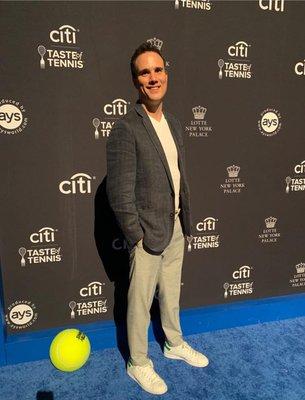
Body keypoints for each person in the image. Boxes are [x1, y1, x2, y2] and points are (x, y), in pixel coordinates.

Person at [106, 42, 209, 395]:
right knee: (138, 301)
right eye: (144, 72)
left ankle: (173, 343)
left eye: (158, 69)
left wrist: (185, 221)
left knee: (171, 296)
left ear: (167, 73)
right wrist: (135, 234)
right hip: (147, 233)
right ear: (136, 81)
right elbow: (119, 192)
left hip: (177, 225)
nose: (153, 77)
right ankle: (138, 362)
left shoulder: (175, 124)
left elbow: (177, 176)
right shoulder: (126, 128)